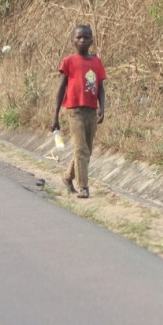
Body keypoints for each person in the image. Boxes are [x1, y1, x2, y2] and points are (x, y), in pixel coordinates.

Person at [51, 24, 106, 198]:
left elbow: (100, 87)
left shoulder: (96, 62)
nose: (82, 40)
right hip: (74, 110)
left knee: (86, 151)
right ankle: (83, 187)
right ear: (73, 40)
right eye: (79, 37)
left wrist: (102, 108)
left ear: (92, 40)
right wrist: (55, 116)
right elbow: (61, 89)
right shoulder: (69, 61)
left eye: (86, 37)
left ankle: (68, 177)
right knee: (81, 149)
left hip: (91, 111)